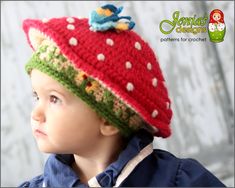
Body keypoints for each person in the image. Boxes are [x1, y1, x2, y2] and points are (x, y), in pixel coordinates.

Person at [19, 4, 225, 187]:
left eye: (54, 98)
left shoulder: (181, 181)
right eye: (37, 96)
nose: (36, 114)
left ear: (108, 120)